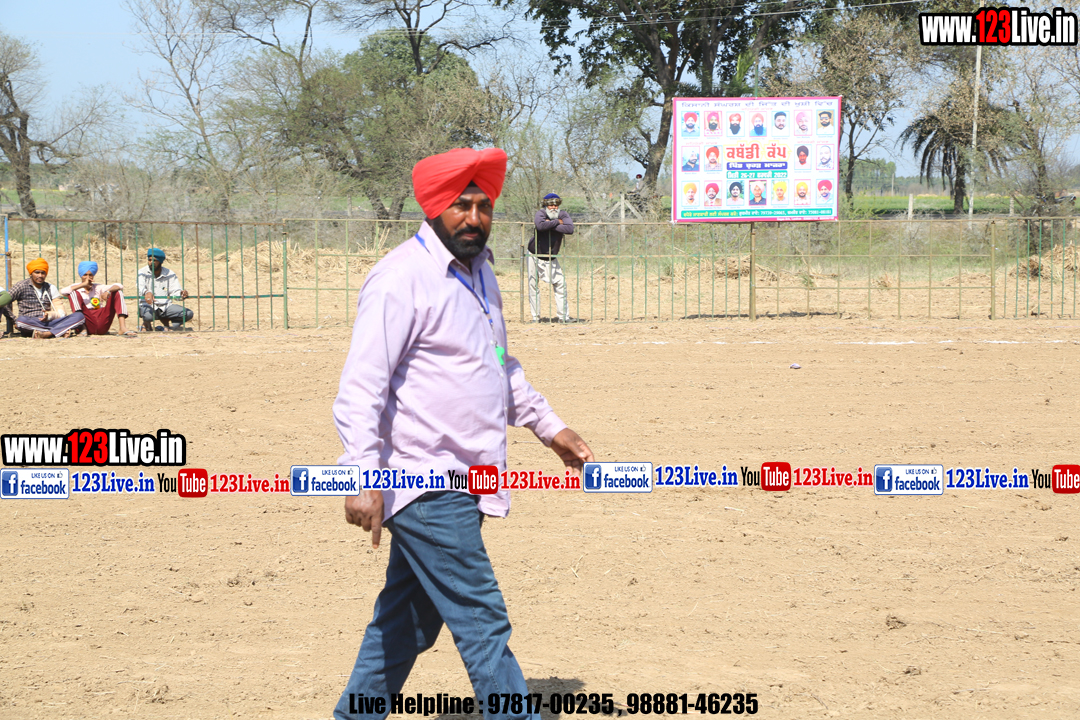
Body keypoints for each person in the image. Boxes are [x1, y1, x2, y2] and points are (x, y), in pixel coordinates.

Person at [332, 146, 594, 720]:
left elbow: (498, 366)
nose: (474, 218)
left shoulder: (480, 274)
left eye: (484, 206)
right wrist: (361, 477)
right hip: (423, 481)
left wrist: (550, 428)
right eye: (461, 206)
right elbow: (360, 389)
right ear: (433, 208)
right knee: (482, 619)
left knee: (408, 621)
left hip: (468, 478)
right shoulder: (400, 279)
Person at [8, 259, 86, 338]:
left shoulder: (51, 287)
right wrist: (13, 320)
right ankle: (59, 331)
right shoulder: (21, 286)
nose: (40, 276)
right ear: (31, 273)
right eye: (37, 272)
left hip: (50, 322)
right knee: (21, 321)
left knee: (79, 316)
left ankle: (48, 333)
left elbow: (61, 312)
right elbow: (4, 301)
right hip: (31, 322)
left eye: (43, 273)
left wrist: (50, 315)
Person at [529, 193, 574, 323]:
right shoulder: (541, 213)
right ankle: (535, 317)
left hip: (551, 256)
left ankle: (563, 317)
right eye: (551, 205)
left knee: (560, 284)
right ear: (546, 205)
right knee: (533, 285)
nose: (554, 207)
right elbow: (540, 226)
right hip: (535, 254)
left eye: (556, 204)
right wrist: (557, 223)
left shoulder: (563, 214)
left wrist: (550, 224)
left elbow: (569, 229)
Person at [60, 261, 136, 337]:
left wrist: (108, 291)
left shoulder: (98, 287)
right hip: (85, 319)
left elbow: (119, 285)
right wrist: (83, 285)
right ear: (81, 276)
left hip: (101, 318)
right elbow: (63, 291)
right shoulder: (76, 287)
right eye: (85, 275)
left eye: (90, 275)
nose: (88, 277)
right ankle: (82, 328)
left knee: (117, 292)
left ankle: (122, 327)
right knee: (73, 293)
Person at [137, 247, 193, 331]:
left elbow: (175, 291)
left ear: (160, 261)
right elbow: (140, 287)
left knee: (188, 313)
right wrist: (146, 292)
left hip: (165, 306)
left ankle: (170, 326)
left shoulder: (169, 274)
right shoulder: (142, 272)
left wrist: (181, 294)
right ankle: (146, 323)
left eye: (154, 260)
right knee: (148, 316)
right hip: (148, 305)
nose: (151, 262)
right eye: (149, 260)